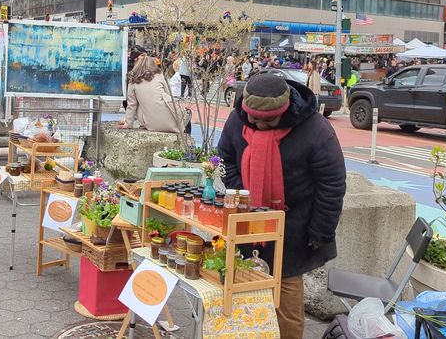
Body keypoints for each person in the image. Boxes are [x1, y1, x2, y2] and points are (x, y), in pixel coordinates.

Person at [217, 72, 346, 339]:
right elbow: (227, 156)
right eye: (255, 120)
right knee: (243, 294)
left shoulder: (316, 129)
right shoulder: (237, 120)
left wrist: (319, 232)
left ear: (286, 110)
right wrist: (239, 188)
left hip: (294, 229)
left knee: (286, 305)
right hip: (247, 220)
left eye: (269, 120)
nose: (261, 126)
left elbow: (332, 185)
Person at [119, 54, 188, 133]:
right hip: (170, 121)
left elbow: (131, 105)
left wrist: (128, 123)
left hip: (150, 124)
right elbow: (168, 94)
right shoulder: (159, 75)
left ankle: (134, 121)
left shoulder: (133, 81)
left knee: (136, 102)